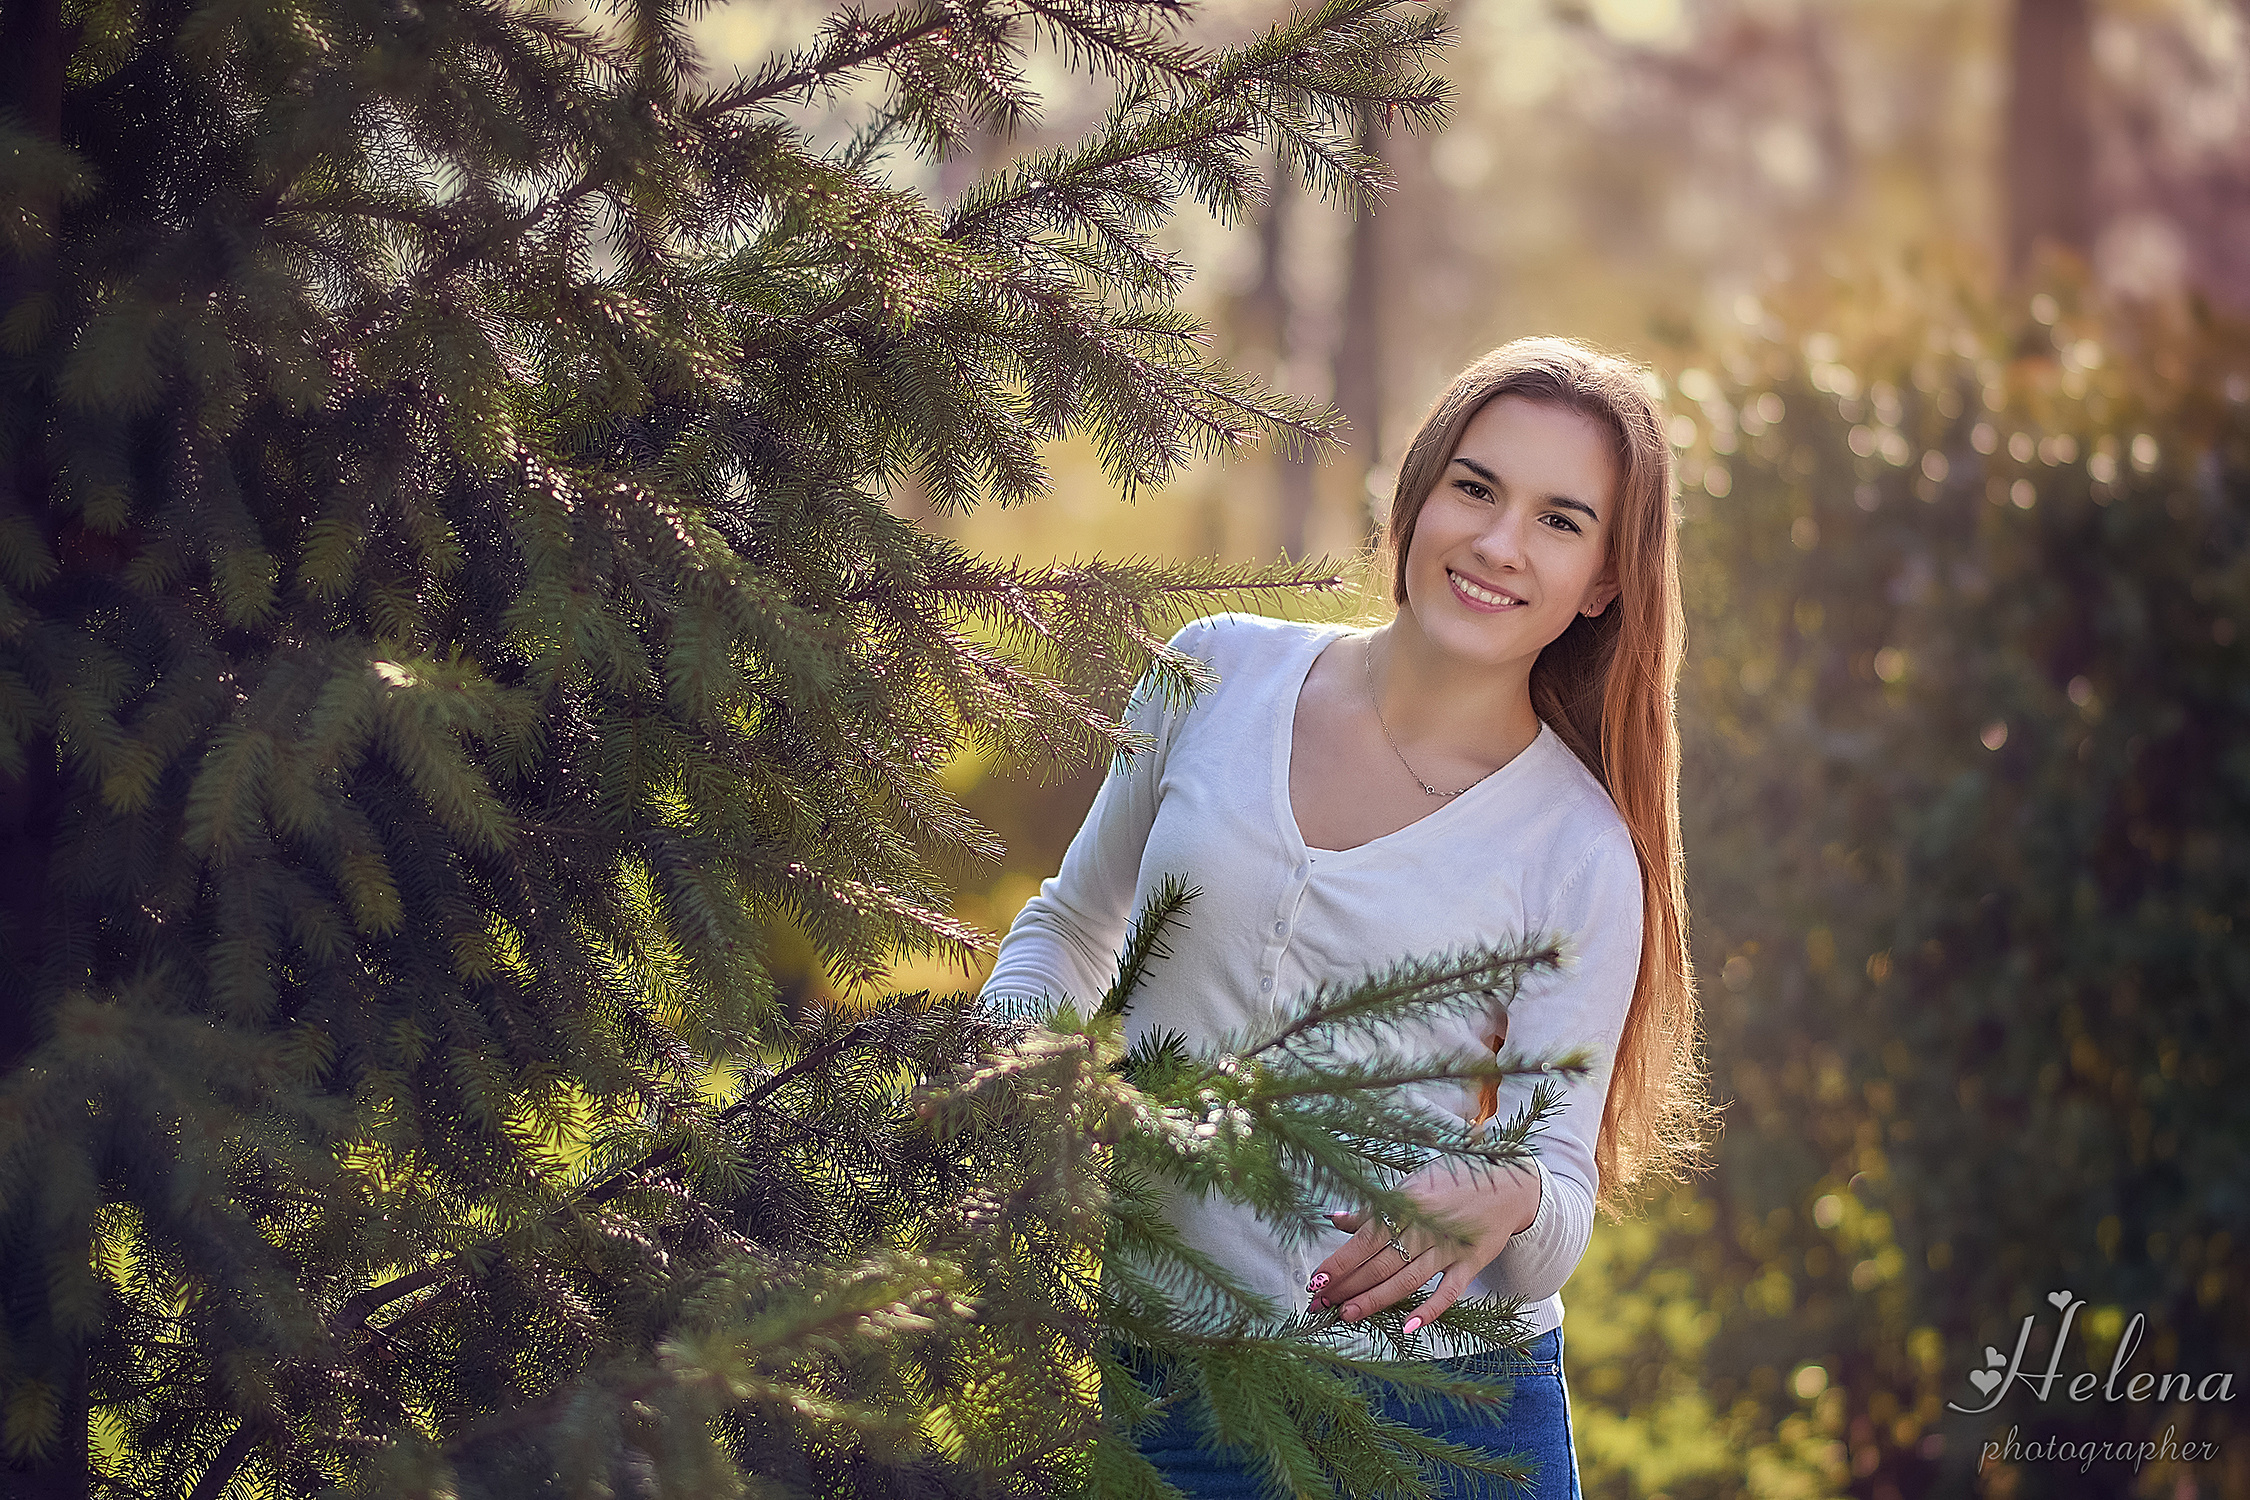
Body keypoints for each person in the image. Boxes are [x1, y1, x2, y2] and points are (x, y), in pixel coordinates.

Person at [976, 336, 1712, 1498]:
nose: (1499, 543)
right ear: (1416, 498)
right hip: (1169, 1382)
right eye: (1476, 488)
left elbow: (1560, 1194)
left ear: (1604, 585)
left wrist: (1508, 1195)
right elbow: (1072, 928)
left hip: (1436, 1422)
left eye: (1561, 522)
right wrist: (1005, 1081)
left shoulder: (1578, 850)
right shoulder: (1214, 673)